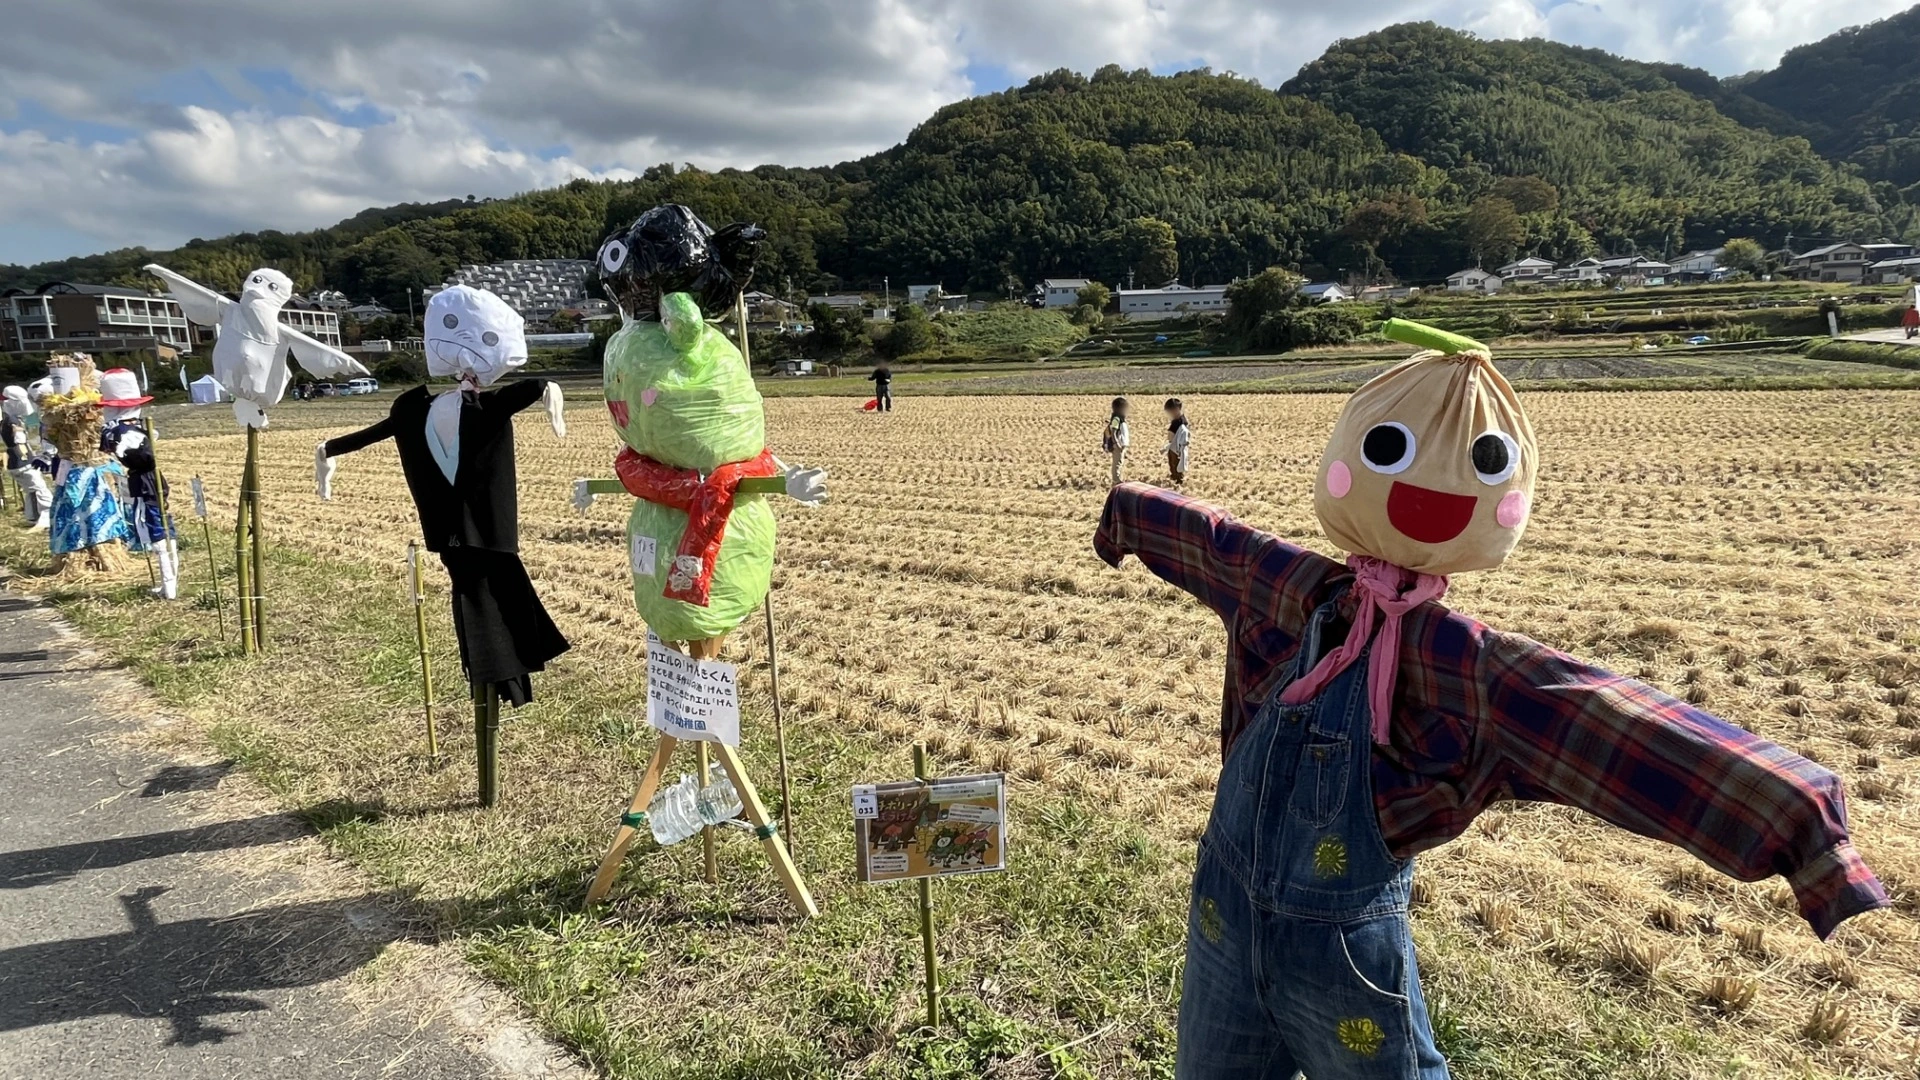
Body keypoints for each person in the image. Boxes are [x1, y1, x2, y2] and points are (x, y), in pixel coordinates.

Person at [1095, 319, 1886, 1079]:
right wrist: (1125, 519)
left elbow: (1609, 723)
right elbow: (1204, 536)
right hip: (1221, 930)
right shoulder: (1287, 590)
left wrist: (1801, 824)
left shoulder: (1465, 671)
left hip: (1338, 971)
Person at [98, 367, 179, 599]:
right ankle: (168, 583)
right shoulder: (124, 431)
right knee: (157, 524)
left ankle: (170, 585)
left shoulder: (120, 431)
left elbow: (146, 457)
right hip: (146, 479)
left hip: (146, 481)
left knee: (156, 526)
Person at [2, 386, 51, 530]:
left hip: (14, 460)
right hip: (22, 460)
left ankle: (32, 516)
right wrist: (29, 458)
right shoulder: (13, 420)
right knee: (40, 488)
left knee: (31, 489)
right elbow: (20, 442)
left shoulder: (9, 419)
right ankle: (46, 516)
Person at [1103, 397, 1130, 485]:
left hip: (1121, 445)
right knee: (1117, 463)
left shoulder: (1120, 419)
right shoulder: (1116, 419)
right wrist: (1116, 443)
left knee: (1120, 462)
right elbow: (1113, 431)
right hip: (1117, 445)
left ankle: (1118, 478)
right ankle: (1116, 480)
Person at [1164, 398, 1190, 485]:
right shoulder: (1176, 421)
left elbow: (1183, 434)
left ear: (1176, 409)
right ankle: (1174, 477)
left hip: (1177, 446)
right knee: (1172, 462)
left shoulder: (1181, 421)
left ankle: (1179, 480)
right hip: (1173, 445)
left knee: (1177, 463)